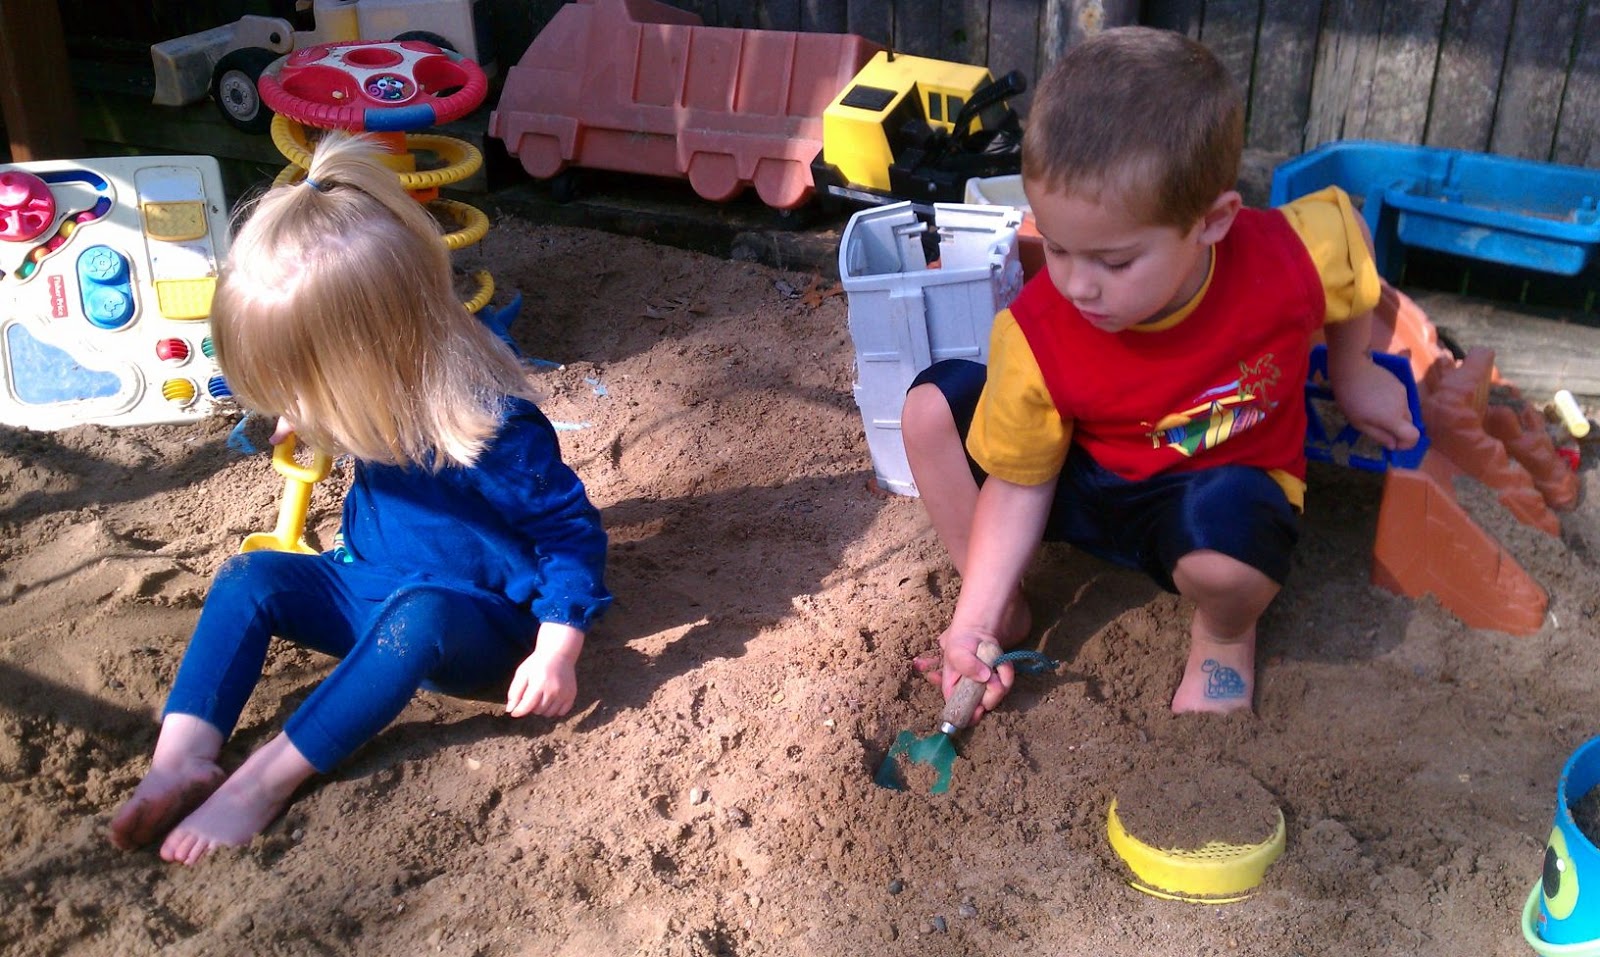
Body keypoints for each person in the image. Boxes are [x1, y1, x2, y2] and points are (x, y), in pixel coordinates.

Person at [109, 133, 611, 865]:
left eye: (301, 390)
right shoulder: (388, 379)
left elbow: (571, 534)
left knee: (419, 614)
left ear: (370, 364)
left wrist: (557, 647)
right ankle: (181, 757)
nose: (291, 407)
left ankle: (263, 781)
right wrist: (307, 415)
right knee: (251, 577)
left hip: (475, 626)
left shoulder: (495, 430)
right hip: (374, 583)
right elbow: (338, 407)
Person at [902, 27, 1419, 720]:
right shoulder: (1038, 331)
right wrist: (973, 619)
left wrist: (1355, 374)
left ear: (1212, 222)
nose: (1076, 285)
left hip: (1209, 492)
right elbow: (1021, 483)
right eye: (1057, 246)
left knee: (1227, 554)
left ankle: (1225, 637)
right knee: (929, 411)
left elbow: (1348, 232)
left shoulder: (1283, 260)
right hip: (1084, 478)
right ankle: (1001, 610)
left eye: (1113, 262)